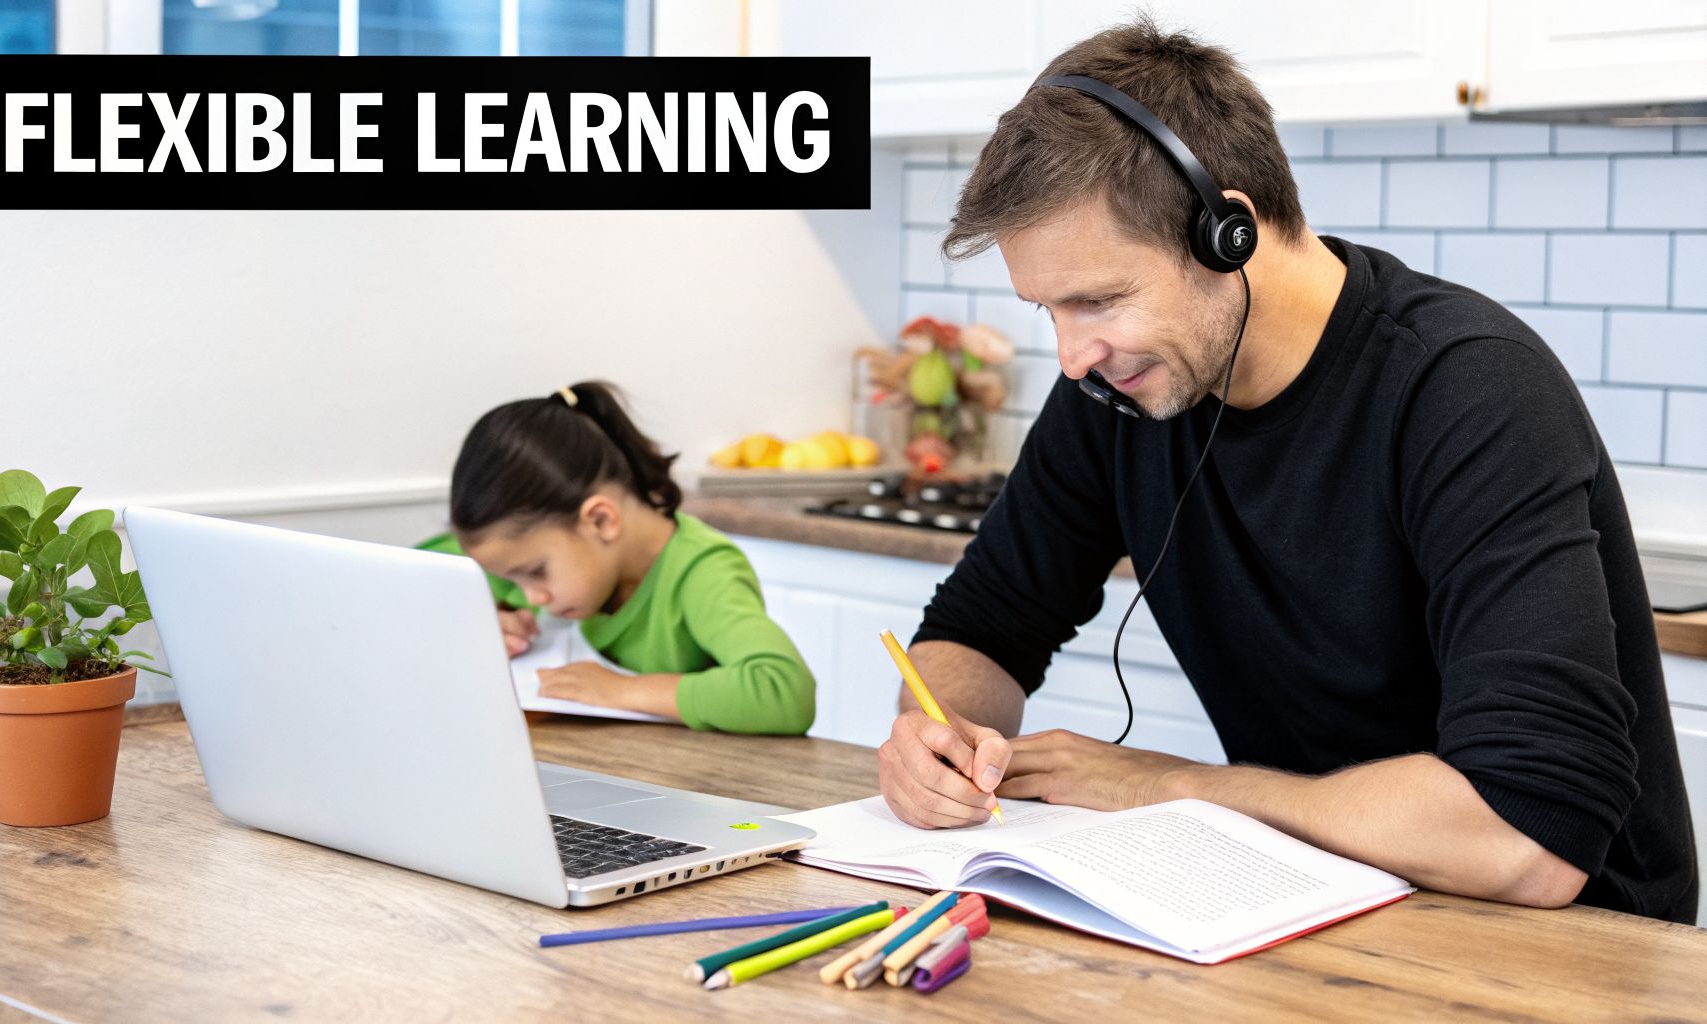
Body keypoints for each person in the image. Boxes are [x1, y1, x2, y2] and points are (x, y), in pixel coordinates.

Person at [877, 17, 1697, 922]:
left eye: (1099, 300)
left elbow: (1528, 840)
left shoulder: (1468, 389)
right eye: (1049, 311)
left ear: (1227, 233)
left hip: (1567, 944)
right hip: (1317, 900)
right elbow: (985, 626)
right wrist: (933, 736)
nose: (1073, 358)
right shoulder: (1122, 389)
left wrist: (1169, 786)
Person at [419, 381, 815, 735]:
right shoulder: (528, 553)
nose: (532, 597)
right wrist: (478, 614)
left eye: (536, 572)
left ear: (601, 521)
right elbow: (422, 572)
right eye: (513, 580)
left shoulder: (702, 571)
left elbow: (783, 689)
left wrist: (623, 690)